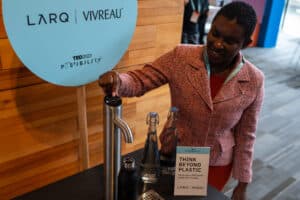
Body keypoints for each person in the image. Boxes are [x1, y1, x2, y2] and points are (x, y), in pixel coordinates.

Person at [99, 2, 264, 200]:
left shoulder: (254, 80)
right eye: (215, 33)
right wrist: (118, 80)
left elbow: (246, 135)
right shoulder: (181, 57)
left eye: (229, 41)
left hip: (218, 164)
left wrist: (243, 183)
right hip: (176, 156)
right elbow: (141, 79)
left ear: (245, 43)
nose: (218, 43)